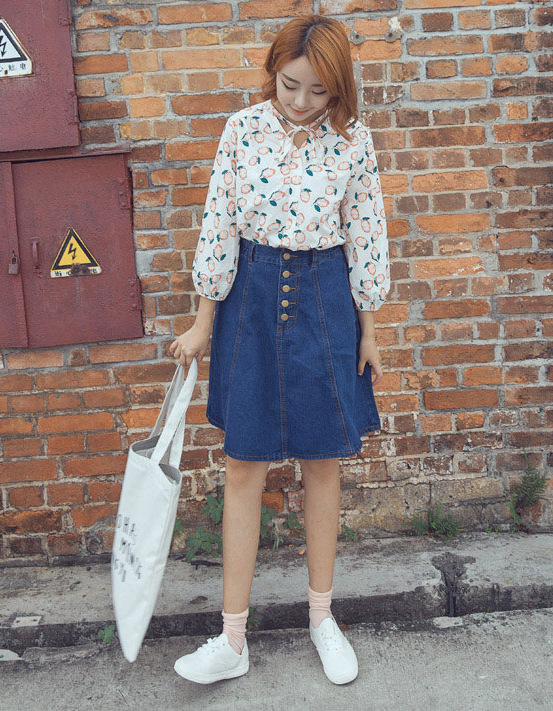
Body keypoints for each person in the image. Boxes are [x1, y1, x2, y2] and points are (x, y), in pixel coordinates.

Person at [168, 13, 390, 685]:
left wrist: (369, 330)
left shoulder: (352, 140)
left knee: (323, 462)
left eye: (317, 91)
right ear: (273, 72)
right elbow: (218, 225)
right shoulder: (241, 130)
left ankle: (322, 619)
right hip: (252, 296)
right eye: (290, 85)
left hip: (326, 297)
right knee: (243, 464)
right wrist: (203, 322)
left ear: (337, 89)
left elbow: (366, 234)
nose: (300, 101)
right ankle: (232, 639)